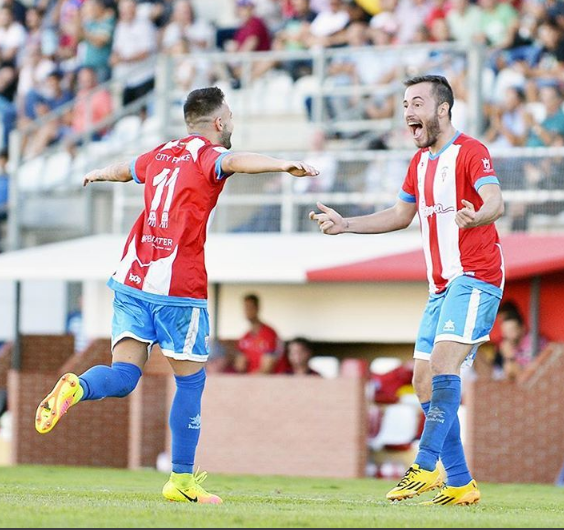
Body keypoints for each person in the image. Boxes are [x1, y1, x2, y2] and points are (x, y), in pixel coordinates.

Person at [35, 86, 318, 503]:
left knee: (125, 375)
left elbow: (125, 169)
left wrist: (96, 173)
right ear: (219, 122)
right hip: (177, 290)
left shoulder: (161, 153)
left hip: (131, 280)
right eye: (231, 116)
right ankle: (181, 482)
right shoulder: (206, 156)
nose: (233, 123)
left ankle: (78, 386)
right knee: (190, 382)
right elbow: (236, 161)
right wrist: (281, 164)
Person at [310, 75, 504, 506]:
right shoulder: (419, 164)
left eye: (417, 103)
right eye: (404, 105)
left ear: (442, 110)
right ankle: (459, 483)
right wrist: (347, 225)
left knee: (443, 364)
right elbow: (400, 214)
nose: (407, 113)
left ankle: (425, 463)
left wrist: (479, 216)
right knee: (422, 381)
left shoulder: (471, 152)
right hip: (439, 288)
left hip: (475, 277)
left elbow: (495, 200)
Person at [234, 293, 286, 374]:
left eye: (250, 307)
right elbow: (240, 365)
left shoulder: (269, 334)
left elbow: (267, 369)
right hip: (250, 381)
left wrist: (247, 380)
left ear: (257, 308)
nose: (247, 311)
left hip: (270, 382)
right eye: (245, 308)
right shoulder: (245, 337)